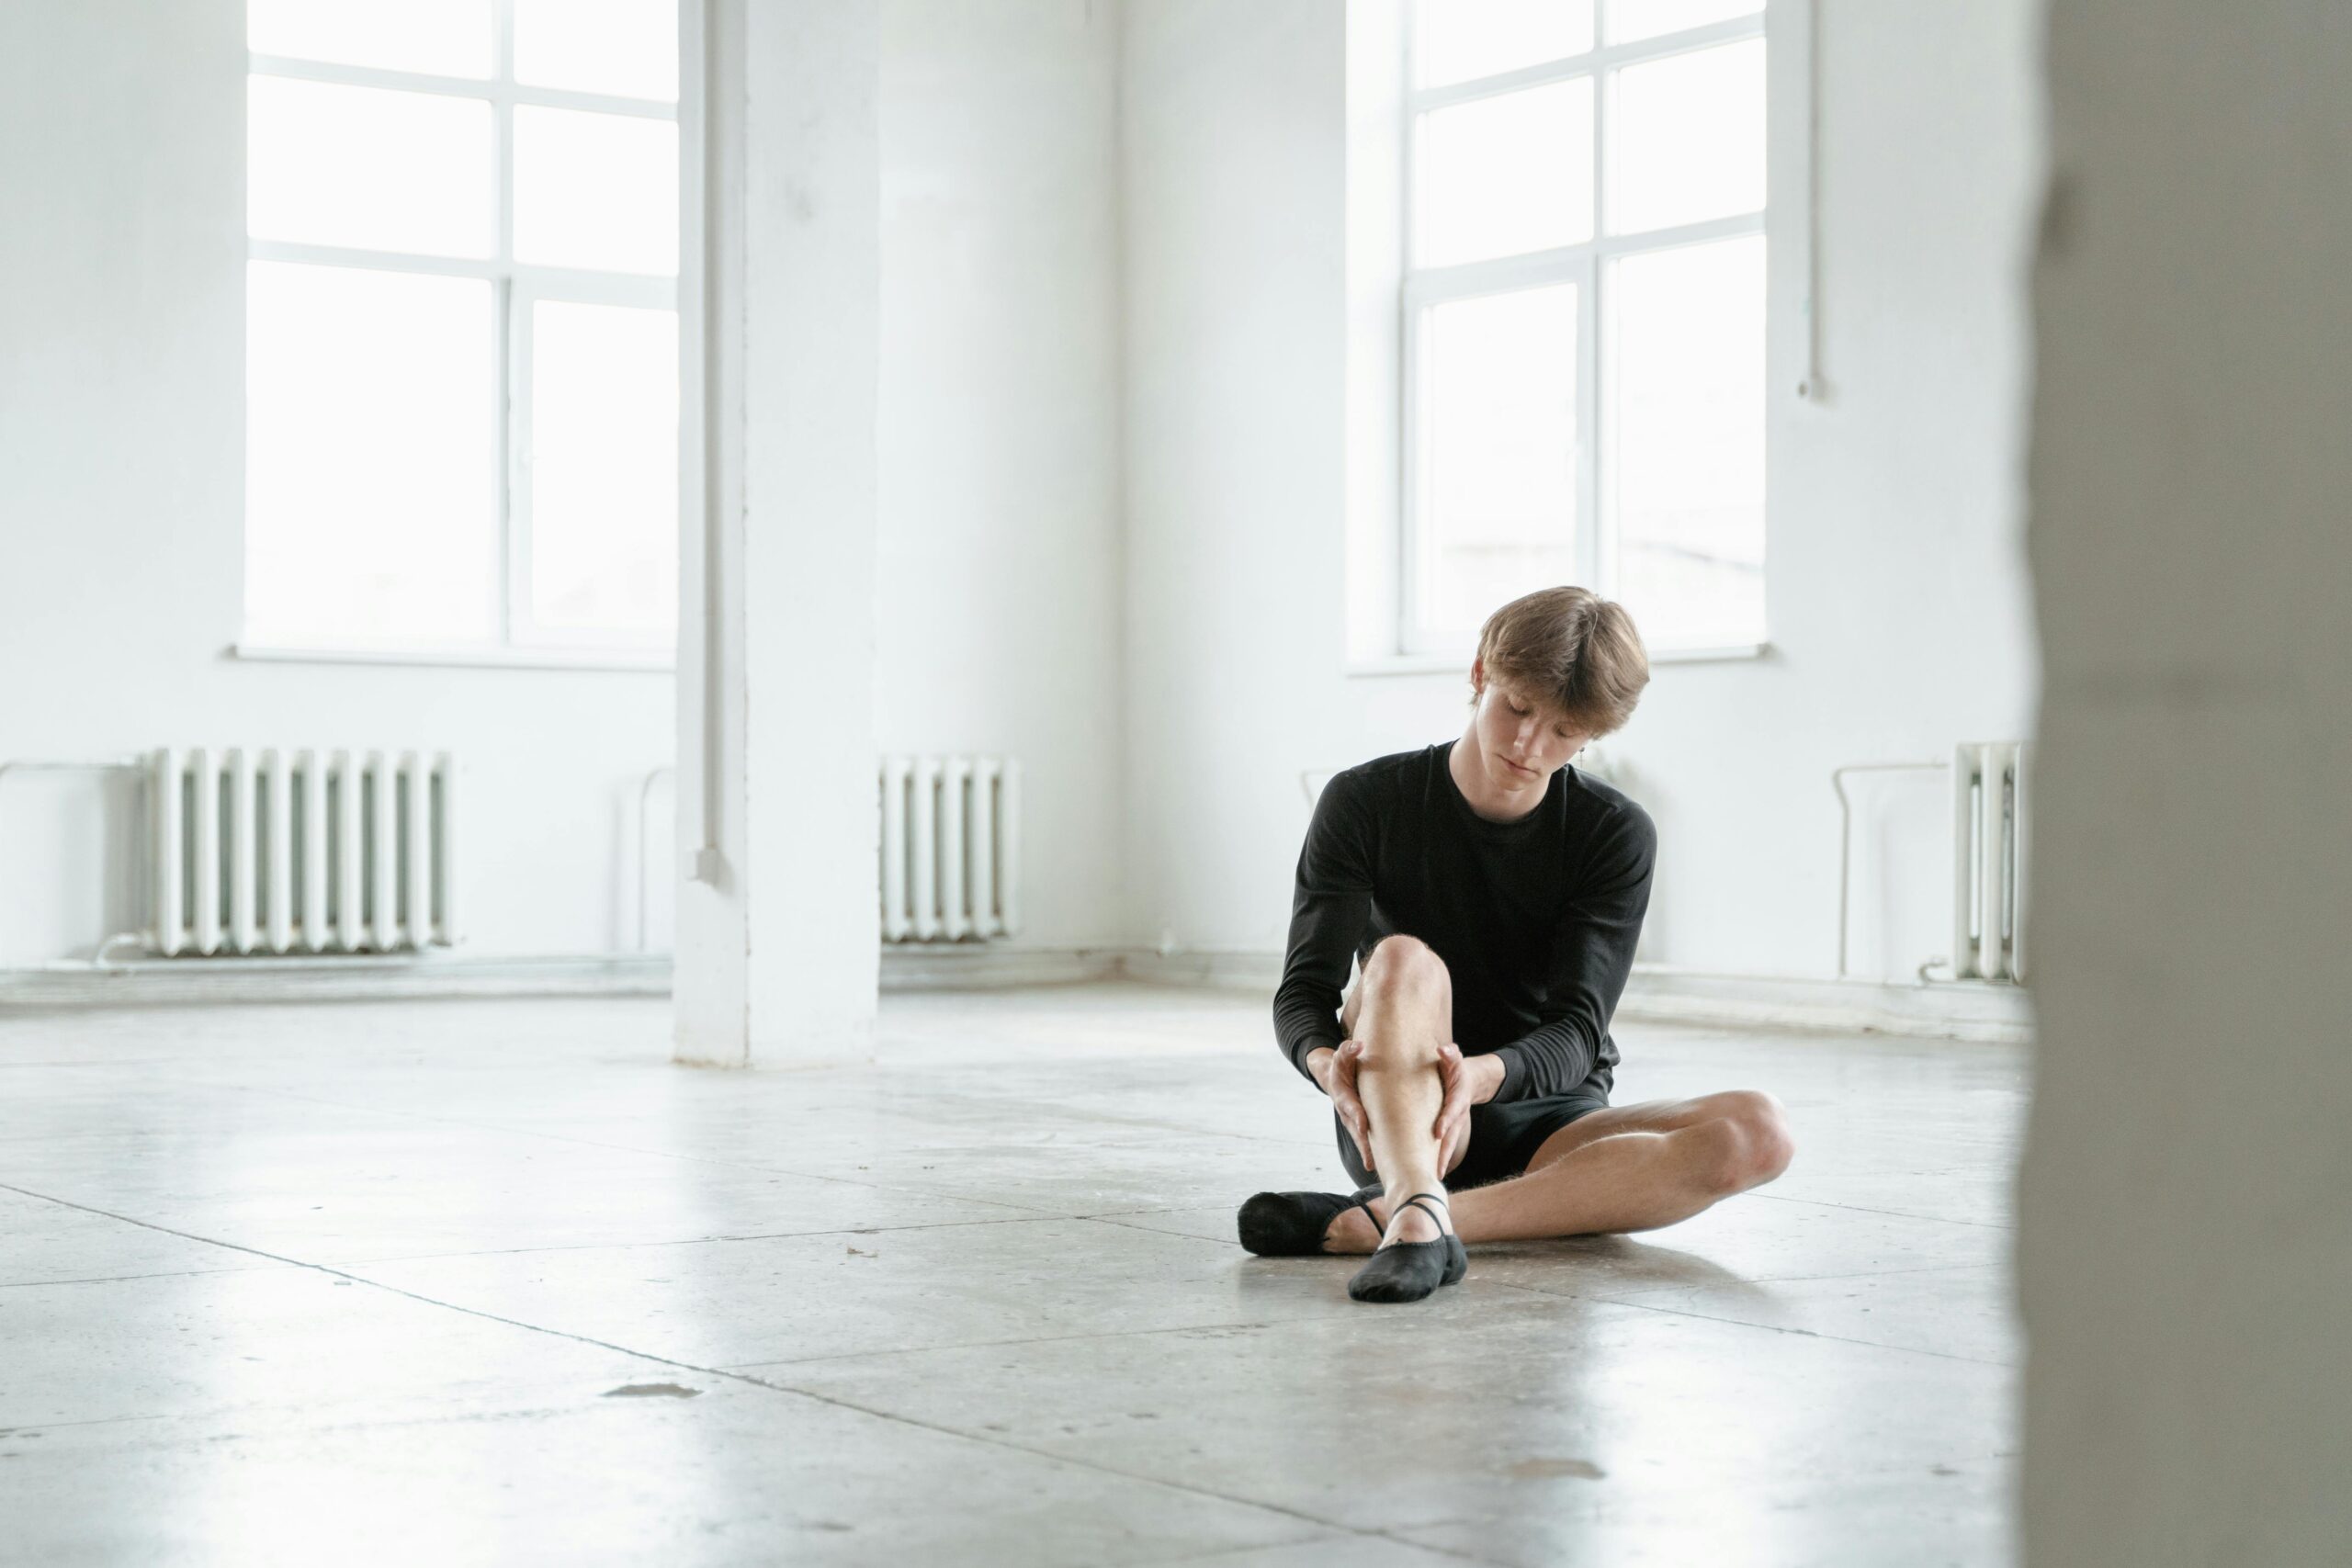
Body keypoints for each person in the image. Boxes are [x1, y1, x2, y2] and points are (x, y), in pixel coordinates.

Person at [1239, 587, 1795, 1303]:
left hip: (1549, 1120)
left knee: (1761, 1130)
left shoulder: (1614, 833)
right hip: (1406, 1102)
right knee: (1402, 958)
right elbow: (1304, 991)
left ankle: (1399, 1220)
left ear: (1595, 733)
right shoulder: (1364, 801)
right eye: (1519, 707)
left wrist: (1479, 1077)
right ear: (1480, 675)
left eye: (1565, 730)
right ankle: (1414, 1191)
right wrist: (1328, 1067)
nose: (1531, 745)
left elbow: (1576, 1029)